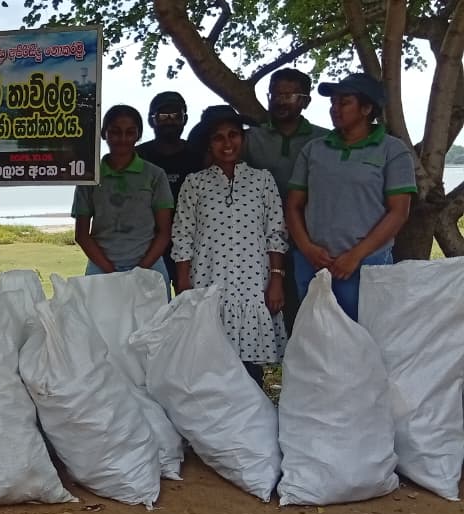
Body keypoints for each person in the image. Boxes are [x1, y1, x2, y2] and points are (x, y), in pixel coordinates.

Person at [172, 105, 289, 386]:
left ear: (243, 139)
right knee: (210, 363)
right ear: (209, 144)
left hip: (254, 286)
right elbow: (182, 235)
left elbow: (276, 234)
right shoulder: (195, 183)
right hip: (208, 283)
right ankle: (217, 422)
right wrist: (184, 284)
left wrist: (276, 280)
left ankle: (263, 419)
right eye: (218, 137)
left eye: (233, 135)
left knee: (259, 368)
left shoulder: (263, 181)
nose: (227, 143)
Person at [286, 72, 415, 321]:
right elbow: (293, 205)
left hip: (368, 264)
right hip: (314, 264)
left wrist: (356, 256)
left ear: (367, 108)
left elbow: (399, 212)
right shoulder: (314, 149)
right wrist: (307, 249)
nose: (335, 109)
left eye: (344, 103)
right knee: (316, 340)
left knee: (365, 340)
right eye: (333, 103)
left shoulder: (392, 150)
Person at [243, 69, 331, 332]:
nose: (280, 101)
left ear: (305, 100)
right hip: (260, 242)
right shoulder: (249, 139)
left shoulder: (324, 139)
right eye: (275, 94)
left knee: (312, 312)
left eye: (289, 95)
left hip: (312, 241)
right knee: (260, 311)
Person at [72, 105, 173, 285]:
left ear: (138, 135)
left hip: (148, 265)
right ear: (104, 134)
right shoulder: (90, 176)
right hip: (101, 266)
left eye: (130, 132)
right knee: (98, 314)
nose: (123, 138)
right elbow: (81, 234)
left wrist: (140, 271)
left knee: (156, 314)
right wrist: (111, 272)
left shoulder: (155, 175)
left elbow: (164, 232)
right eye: (115, 132)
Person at [138, 91, 205, 290]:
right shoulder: (139, 156)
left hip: (193, 243)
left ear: (185, 119)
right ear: (151, 120)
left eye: (176, 116)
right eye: (163, 116)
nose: (170, 121)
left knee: (191, 307)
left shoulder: (198, 156)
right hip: (149, 245)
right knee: (151, 308)